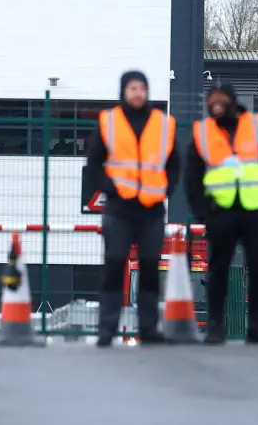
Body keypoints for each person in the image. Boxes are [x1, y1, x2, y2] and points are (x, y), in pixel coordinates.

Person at [186, 81, 258, 345]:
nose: (214, 104)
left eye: (219, 99)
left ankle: (256, 327)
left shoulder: (256, 125)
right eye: (210, 100)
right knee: (218, 270)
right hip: (221, 212)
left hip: (257, 210)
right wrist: (203, 214)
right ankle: (215, 328)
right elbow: (192, 177)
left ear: (232, 100)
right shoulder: (202, 133)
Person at [85, 70, 180, 346]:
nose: (138, 93)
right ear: (123, 91)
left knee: (150, 270)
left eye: (142, 88)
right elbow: (93, 164)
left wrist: (166, 189)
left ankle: (149, 331)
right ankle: (107, 331)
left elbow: (175, 163)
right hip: (119, 210)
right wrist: (110, 188)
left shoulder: (163, 124)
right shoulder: (109, 122)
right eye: (133, 88)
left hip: (151, 210)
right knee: (114, 266)